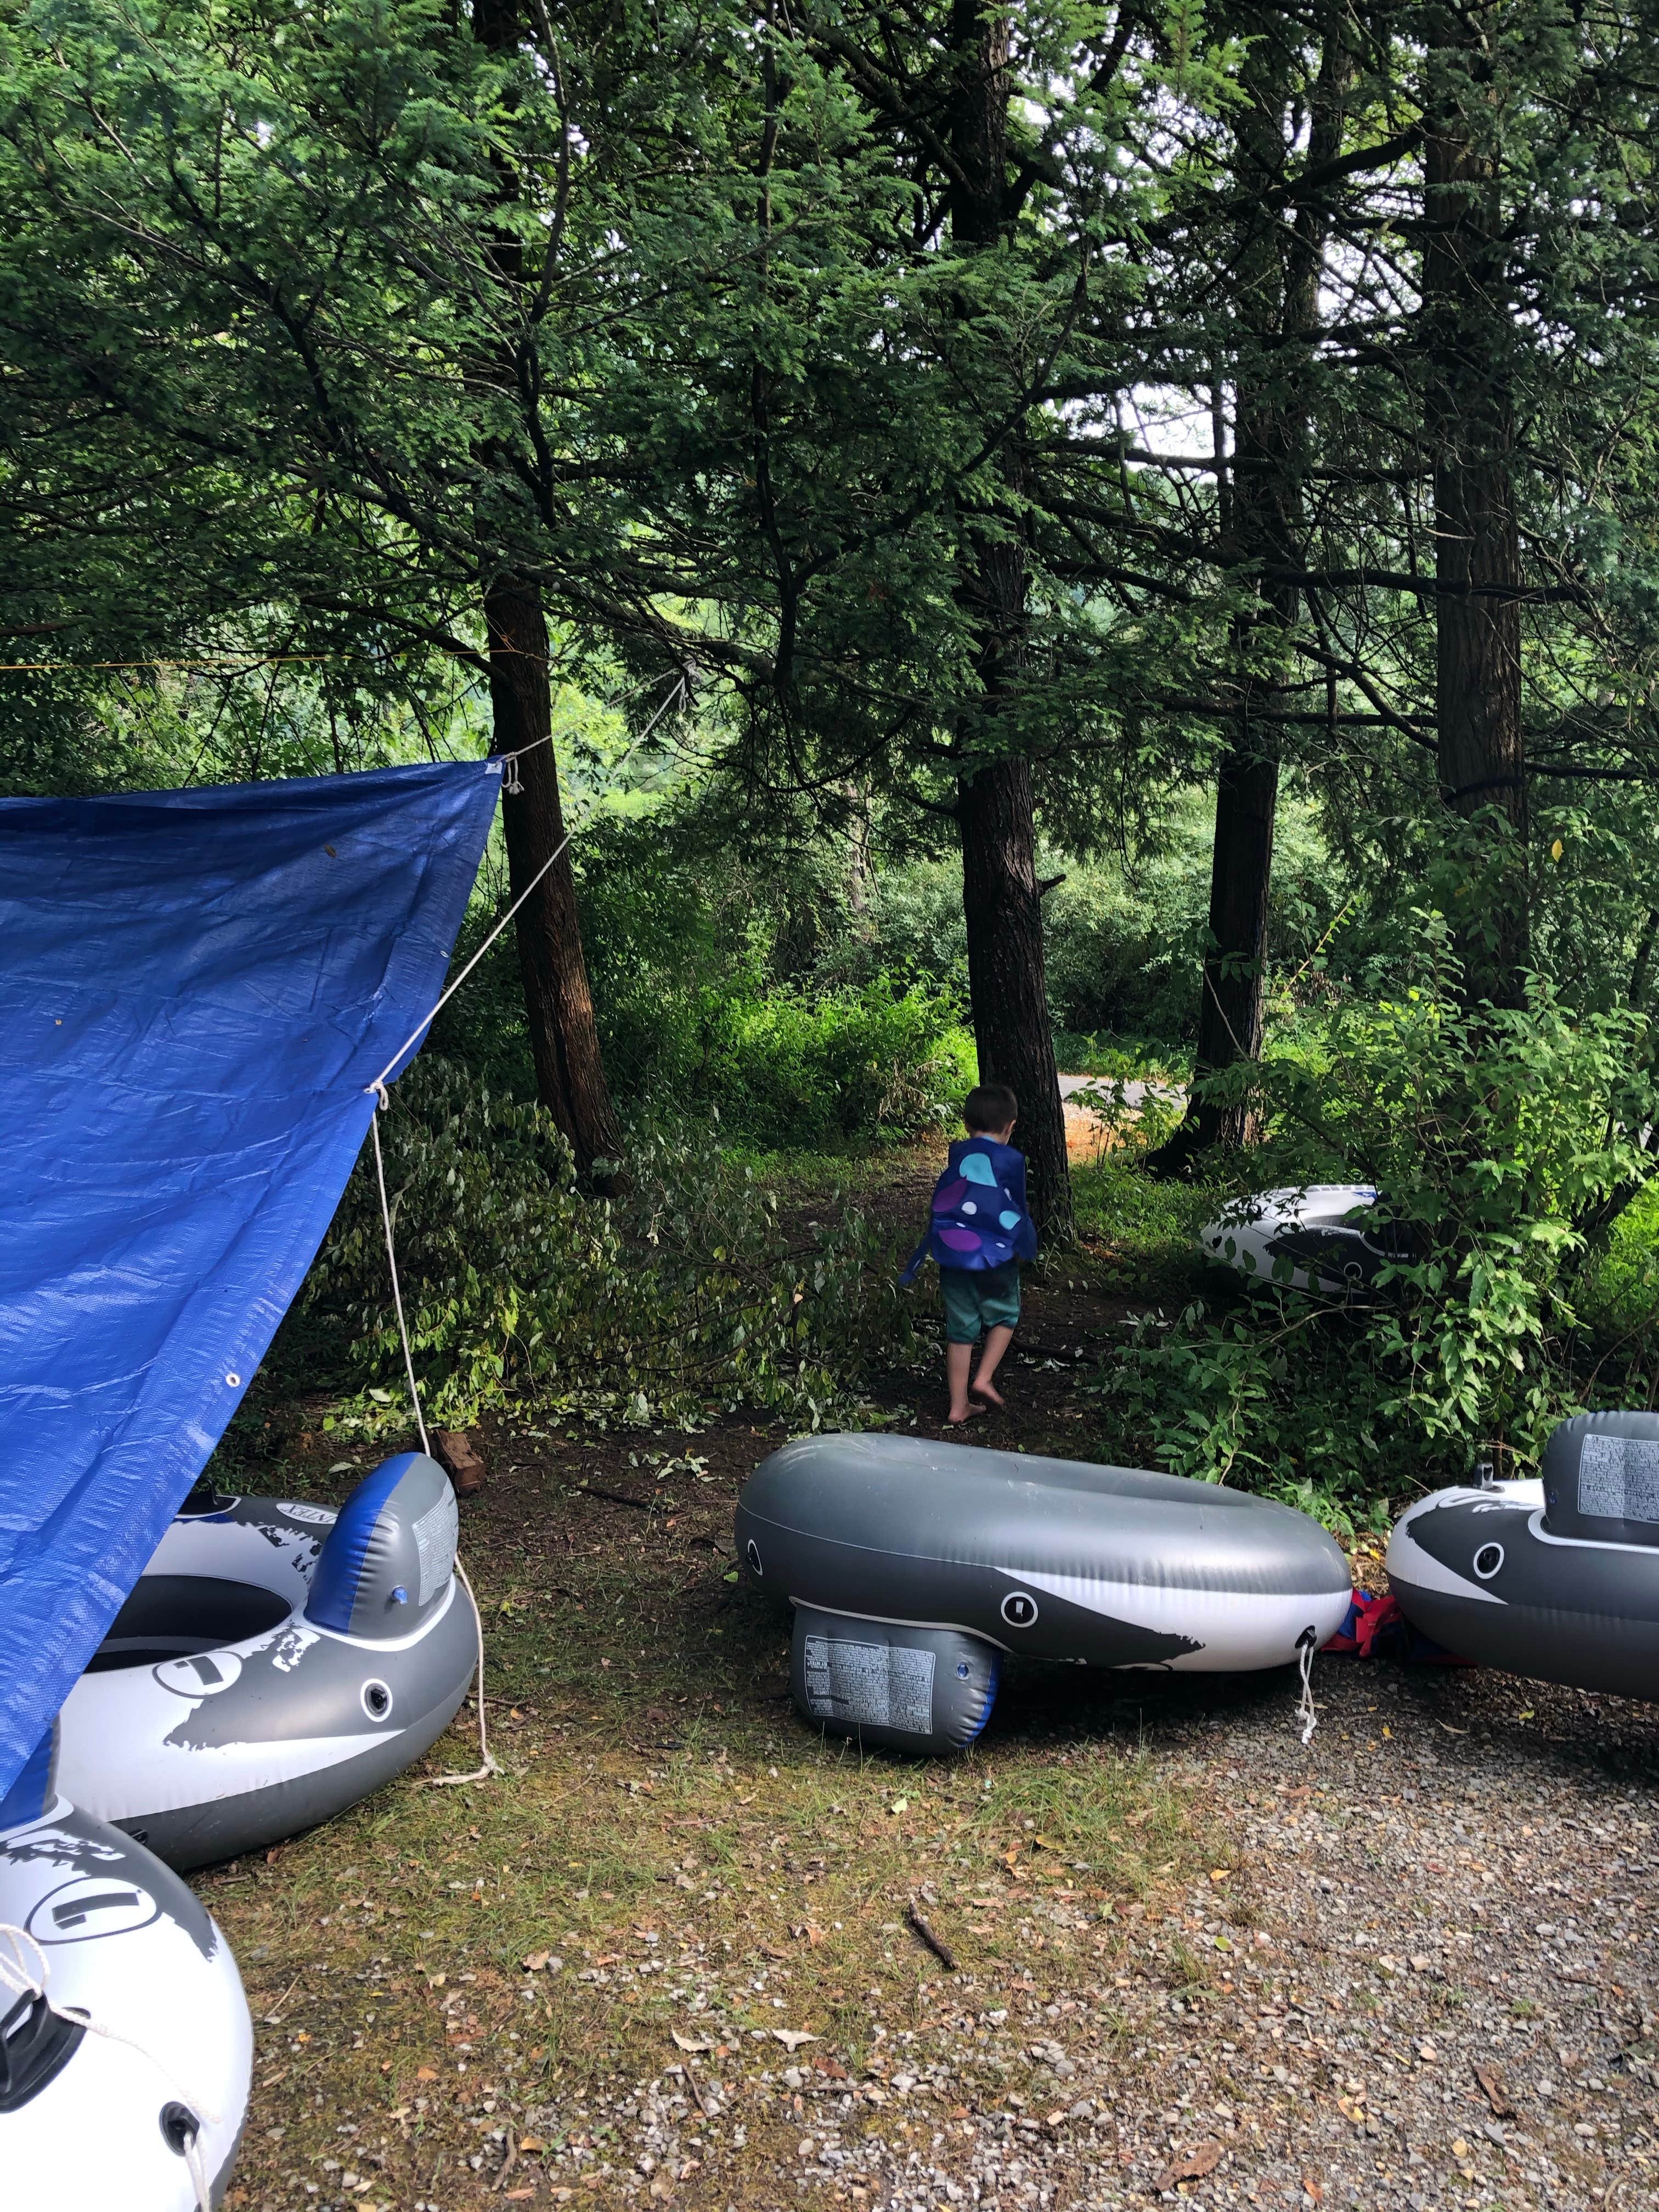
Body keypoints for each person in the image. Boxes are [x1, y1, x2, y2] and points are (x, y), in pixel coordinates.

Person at [900, 1082, 1039, 1425]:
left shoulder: (957, 1155)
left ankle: (958, 1405)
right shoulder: (1012, 1160)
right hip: (995, 1255)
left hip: (953, 1252)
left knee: (960, 1328)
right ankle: (984, 1377)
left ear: (966, 1124)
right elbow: (1015, 1209)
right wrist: (1025, 1246)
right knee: (1006, 1314)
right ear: (1011, 1126)